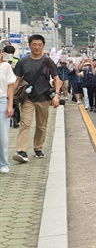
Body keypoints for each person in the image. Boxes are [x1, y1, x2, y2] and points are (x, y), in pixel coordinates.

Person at [12, 35, 61, 163]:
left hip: (44, 97)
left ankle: (38, 148)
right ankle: (21, 151)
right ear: (30, 45)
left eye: (39, 45)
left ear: (43, 46)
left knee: (41, 126)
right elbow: (17, 80)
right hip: (27, 98)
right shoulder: (23, 62)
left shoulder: (48, 62)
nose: (37, 47)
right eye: (34, 44)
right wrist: (10, 96)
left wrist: (56, 95)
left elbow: (57, 80)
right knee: (25, 123)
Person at [0, 45, 17, 173]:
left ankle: (3, 163)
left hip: (2, 100)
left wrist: (10, 105)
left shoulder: (5, 66)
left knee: (3, 135)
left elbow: (10, 86)